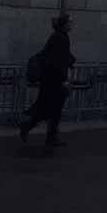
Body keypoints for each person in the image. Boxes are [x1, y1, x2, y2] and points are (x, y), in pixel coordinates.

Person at [19, 14, 75, 146]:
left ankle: (49, 136)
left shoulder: (60, 36)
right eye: (70, 22)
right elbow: (57, 61)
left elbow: (62, 57)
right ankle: (28, 127)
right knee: (49, 109)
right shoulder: (60, 37)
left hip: (51, 80)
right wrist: (63, 80)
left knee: (51, 110)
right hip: (54, 81)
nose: (72, 25)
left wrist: (70, 61)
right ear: (64, 24)